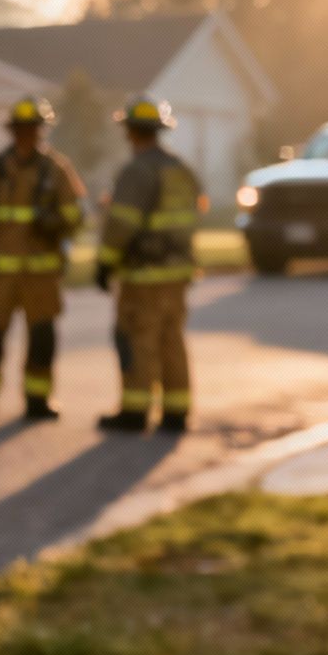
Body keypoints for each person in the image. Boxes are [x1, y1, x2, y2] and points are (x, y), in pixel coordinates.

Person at [0, 97, 85, 422]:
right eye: (21, 130)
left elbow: (76, 215)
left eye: (32, 129)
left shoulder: (56, 170)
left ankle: (38, 401)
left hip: (41, 274)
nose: (27, 136)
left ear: (40, 132)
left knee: (42, 339)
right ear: (13, 132)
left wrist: (57, 222)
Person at [94, 95, 205, 433]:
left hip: (143, 276)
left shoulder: (136, 171)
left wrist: (105, 263)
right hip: (177, 273)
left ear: (130, 132)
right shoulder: (181, 169)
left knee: (138, 340)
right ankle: (176, 412)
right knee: (171, 340)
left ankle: (135, 412)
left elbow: (122, 224)